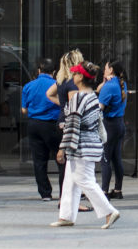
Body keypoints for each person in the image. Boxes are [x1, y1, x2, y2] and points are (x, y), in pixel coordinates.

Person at [50, 61, 121, 229]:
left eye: (75, 73)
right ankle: (66, 216)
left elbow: (72, 124)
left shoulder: (78, 98)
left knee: (84, 180)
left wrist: (62, 148)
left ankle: (109, 211)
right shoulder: (92, 97)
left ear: (81, 77)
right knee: (71, 180)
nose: (73, 76)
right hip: (90, 144)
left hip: (80, 146)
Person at [47, 49, 85, 203]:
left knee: (66, 165)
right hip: (69, 125)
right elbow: (75, 109)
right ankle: (68, 199)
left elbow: (49, 94)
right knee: (72, 164)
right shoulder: (73, 84)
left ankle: (66, 198)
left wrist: (63, 106)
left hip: (61, 122)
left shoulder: (61, 81)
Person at [21, 58, 60, 201]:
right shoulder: (56, 85)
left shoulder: (28, 86)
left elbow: (24, 110)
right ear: (54, 72)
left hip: (34, 124)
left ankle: (45, 193)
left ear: (39, 70)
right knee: (61, 157)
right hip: (51, 124)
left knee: (39, 160)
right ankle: (65, 191)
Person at [97, 59, 128, 199]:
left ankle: (104, 191)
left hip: (109, 125)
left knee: (105, 159)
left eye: (105, 68)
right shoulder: (122, 84)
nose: (103, 71)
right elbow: (100, 89)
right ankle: (118, 190)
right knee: (116, 158)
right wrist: (104, 81)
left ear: (111, 70)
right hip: (119, 123)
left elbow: (100, 107)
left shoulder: (109, 86)